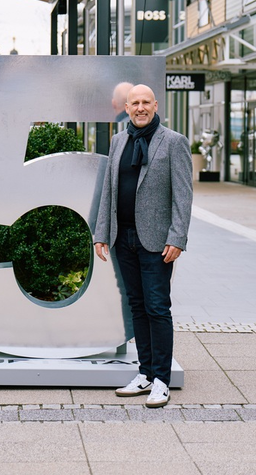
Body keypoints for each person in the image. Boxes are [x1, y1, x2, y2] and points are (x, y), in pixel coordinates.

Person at [94, 84, 193, 408]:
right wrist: (102, 233)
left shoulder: (174, 142)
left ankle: (161, 380)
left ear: (155, 105)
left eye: (145, 102)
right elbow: (109, 190)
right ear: (126, 106)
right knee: (137, 306)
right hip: (125, 239)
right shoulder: (119, 140)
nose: (140, 108)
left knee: (157, 308)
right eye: (134, 102)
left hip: (156, 242)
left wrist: (177, 238)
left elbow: (183, 195)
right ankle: (146, 372)